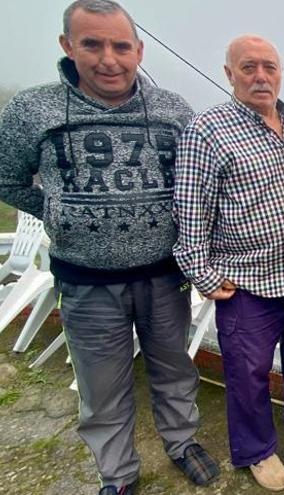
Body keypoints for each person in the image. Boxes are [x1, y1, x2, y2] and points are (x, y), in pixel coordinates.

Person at [0, 1, 220, 493]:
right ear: (67, 47)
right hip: (86, 282)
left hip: (165, 274)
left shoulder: (172, 109)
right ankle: (117, 474)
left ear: (139, 51)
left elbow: (195, 181)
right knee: (102, 387)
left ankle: (182, 443)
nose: (109, 59)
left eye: (121, 46)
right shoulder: (33, 109)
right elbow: (8, 180)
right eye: (92, 44)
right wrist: (61, 211)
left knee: (174, 369)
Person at [173, 34, 284, 492]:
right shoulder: (207, 131)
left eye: (269, 67)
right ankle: (257, 450)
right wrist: (201, 272)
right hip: (245, 278)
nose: (261, 76)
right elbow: (189, 208)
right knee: (247, 372)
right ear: (229, 74)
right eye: (248, 67)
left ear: (280, 72)